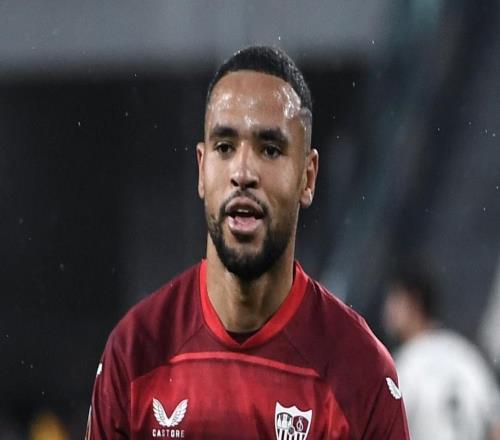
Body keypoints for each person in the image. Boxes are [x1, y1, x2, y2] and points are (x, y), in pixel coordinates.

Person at [86, 45, 409, 439]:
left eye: (269, 150)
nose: (242, 172)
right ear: (202, 169)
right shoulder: (136, 353)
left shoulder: (359, 372)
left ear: (307, 177)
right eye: (225, 147)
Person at [383, 263, 500, 440]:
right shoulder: (465, 354)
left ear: (413, 303)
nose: (387, 310)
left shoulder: (406, 365)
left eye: (394, 300)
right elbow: (496, 427)